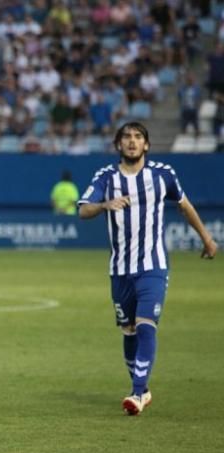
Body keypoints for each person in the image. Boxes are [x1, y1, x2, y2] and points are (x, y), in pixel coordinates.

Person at [77, 122, 217, 415]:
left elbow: (184, 205)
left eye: (138, 137)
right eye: (126, 137)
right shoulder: (106, 178)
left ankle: (137, 392)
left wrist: (206, 239)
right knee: (128, 331)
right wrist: (105, 205)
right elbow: (83, 210)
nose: (132, 141)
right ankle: (142, 388)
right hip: (119, 270)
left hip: (153, 266)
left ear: (147, 145)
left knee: (145, 326)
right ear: (118, 145)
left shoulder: (163, 174)